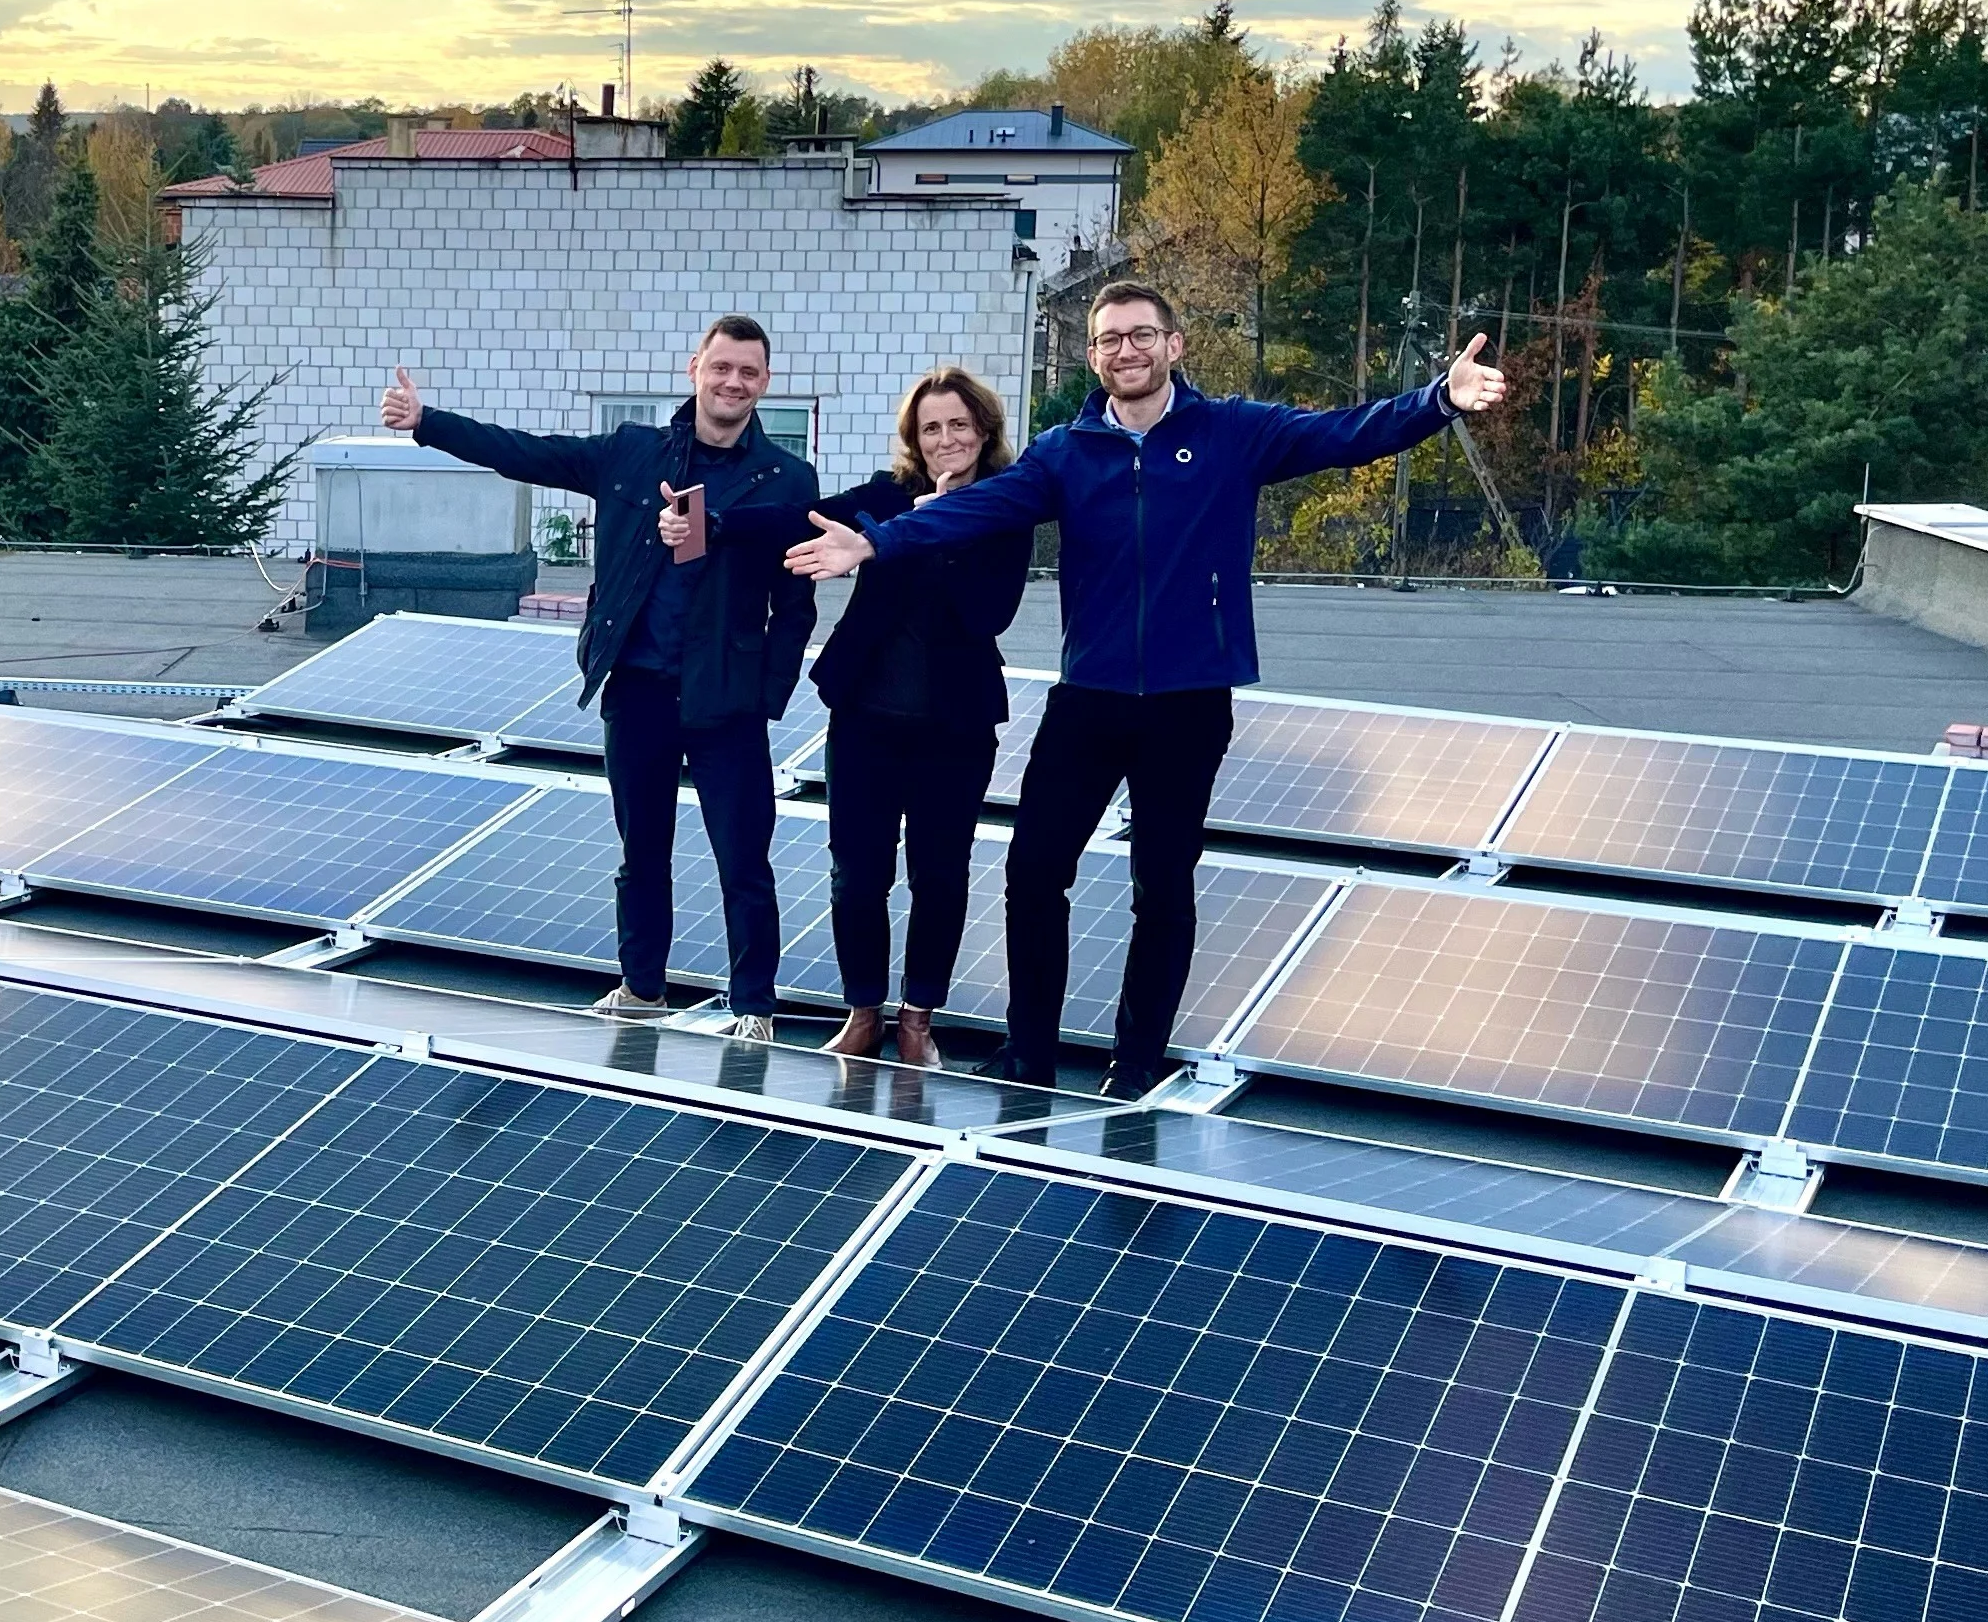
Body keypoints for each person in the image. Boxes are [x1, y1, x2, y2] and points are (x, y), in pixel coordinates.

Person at [771, 280, 1508, 1091]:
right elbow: (973, 511)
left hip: (1190, 702)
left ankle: (1137, 1060)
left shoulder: (1232, 432)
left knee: (1161, 883)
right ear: (1092, 355)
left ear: (1174, 344)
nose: (1126, 350)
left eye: (1140, 335)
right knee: (1033, 873)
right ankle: (1031, 1053)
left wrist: (1441, 399)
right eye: (1110, 339)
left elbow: (1344, 434)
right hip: (1089, 697)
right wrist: (877, 543)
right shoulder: (1063, 452)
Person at [380, 319, 816, 1038]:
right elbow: (526, 453)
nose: (733, 382)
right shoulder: (633, 454)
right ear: (694, 370)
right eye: (721, 368)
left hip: (726, 700)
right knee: (641, 852)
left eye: (748, 372)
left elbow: (794, 603)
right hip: (639, 687)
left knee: (744, 860)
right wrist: (428, 423)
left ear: (765, 383)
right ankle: (643, 989)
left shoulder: (786, 479)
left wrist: (768, 696)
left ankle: (754, 1007)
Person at [678, 368, 1028, 1070]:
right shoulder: (884, 496)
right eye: (931, 427)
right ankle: (864, 1012)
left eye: (959, 425)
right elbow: (795, 518)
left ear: (983, 432)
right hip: (866, 719)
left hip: (954, 729)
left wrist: (943, 521)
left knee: (940, 875)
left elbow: (992, 614)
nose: (945, 438)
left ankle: (919, 1021)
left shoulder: (1006, 511)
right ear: (914, 439)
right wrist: (709, 523)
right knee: (857, 875)